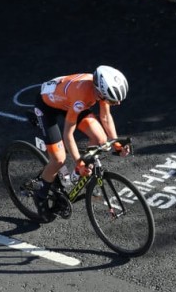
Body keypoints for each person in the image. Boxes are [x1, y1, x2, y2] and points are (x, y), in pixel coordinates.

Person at [27, 65, 131, 217]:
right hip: (47, 107)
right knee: (58, 159)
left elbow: (105, 117)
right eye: (113, 101)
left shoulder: (99, 89)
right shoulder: (82, 97)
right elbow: (68, 134)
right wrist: (79, 162)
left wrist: (116, 143)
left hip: (66, 100)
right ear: (100, 93)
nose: (117, 104)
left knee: (100, 139)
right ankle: (41, 195)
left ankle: (78, 174)